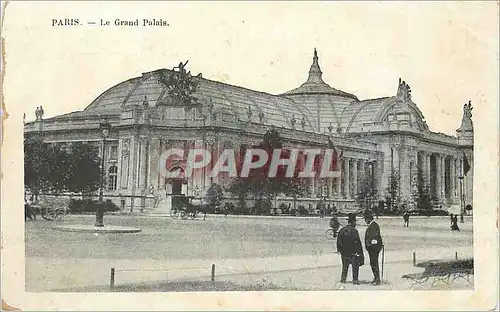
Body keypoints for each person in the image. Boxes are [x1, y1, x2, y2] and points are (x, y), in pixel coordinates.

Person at [337, 213, 364, 285]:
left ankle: (343, 279)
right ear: (353, 222)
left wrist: (340, 250)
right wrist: (360, 253)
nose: (355, 223)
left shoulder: (342, 230)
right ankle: (355, 280)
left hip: (344, 253)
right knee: (355, 267)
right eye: (355, 222)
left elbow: (338, 242)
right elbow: (358, 243)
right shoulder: (354, 231)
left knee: (345, 267)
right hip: (353, 253)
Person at [363, 209, 383, 285]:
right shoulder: (372, 225)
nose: (365, 220)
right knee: (373, 263)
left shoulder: (373, 226)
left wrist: (370, 245)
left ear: (369, 218)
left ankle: (377, 279)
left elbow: (375, 238)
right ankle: (376, 278)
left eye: (365, 219)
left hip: (373, 249)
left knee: (374, 263)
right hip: (372, 249)